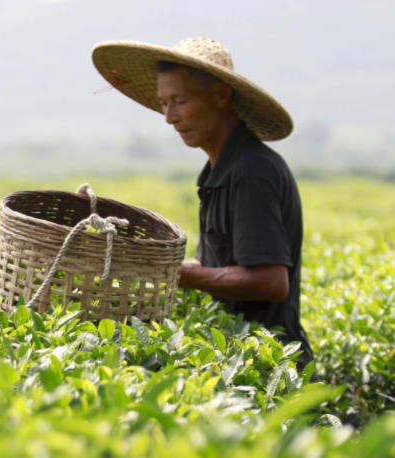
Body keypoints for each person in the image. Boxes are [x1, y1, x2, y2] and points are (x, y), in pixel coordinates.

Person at [91, 37, 314, 370]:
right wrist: (145, 266)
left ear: (221, 95)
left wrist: (178, 276)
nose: (169, 117)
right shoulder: (217, 171)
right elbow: (215, 266)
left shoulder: (252, 172)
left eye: (180, 101)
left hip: (270, 366)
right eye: (164, 102)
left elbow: (271, 282)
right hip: (236, 357)